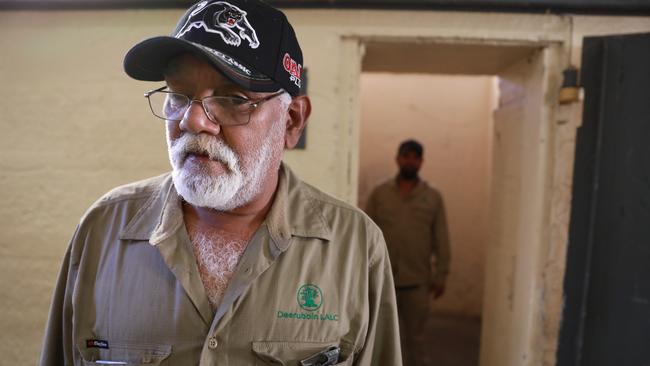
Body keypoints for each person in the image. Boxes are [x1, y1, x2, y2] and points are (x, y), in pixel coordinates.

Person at [39, 1, 402, 365]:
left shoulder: (355, 247)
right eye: (178, 96)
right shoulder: (102, 231)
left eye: (233, 99)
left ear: (292, 121)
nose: (192, 120)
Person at [365, 139, 451, 366]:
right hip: (383, 280)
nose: (410, 161)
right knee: (378, 340)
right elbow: (366, 234)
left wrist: (441, 274)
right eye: (406, 156)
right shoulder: (380, 193)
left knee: (416, 341)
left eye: (415, 157)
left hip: (418, 282)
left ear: (421, 162)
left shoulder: (433, 197)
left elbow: (441, 238)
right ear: (398, 159)